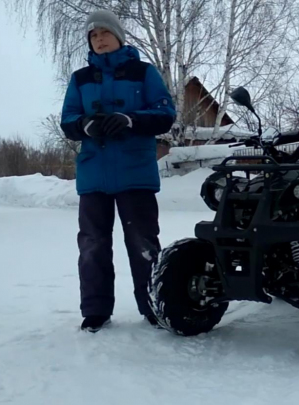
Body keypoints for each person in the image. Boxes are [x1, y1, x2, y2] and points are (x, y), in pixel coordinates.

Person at [60, 9, 176, 332]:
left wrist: (131, 120)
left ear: (118, 37)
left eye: (104, 33)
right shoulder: (80, 80)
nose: (99, 39)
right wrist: (85, 125)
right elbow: (67, 120)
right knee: (93, 244)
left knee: (143, 242)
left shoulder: (144, 73)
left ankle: (153, 305)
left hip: (135, 174)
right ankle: (96, 310)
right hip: (93, 177)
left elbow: (166, 113)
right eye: (93, 36)